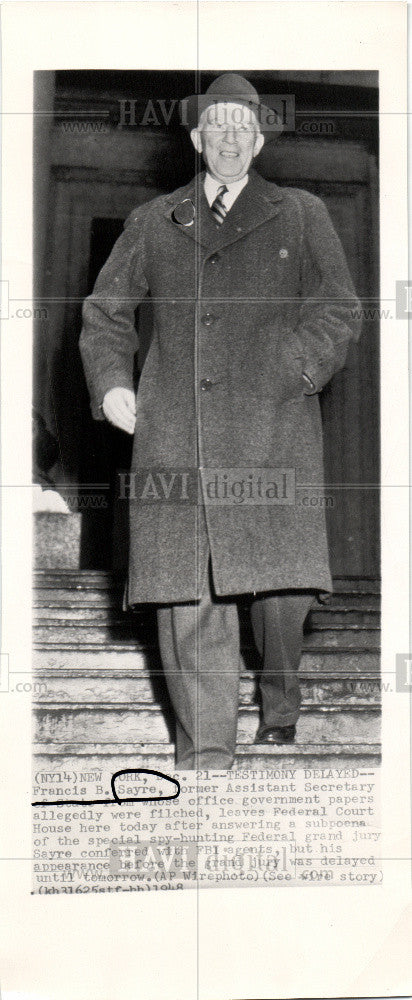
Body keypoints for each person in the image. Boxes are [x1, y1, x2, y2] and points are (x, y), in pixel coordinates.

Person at [79, 73, 362, 770]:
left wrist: (291, 369)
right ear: (197, 137)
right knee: (190, 591)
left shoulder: (301, 212)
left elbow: (339, 310)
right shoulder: (154, 220)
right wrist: (113, 382)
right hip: (178, 431)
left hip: (274, 430)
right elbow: (104, 313)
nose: (229, 136)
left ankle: (280, 700)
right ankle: (208, 755)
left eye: (243, 125)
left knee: (280, 594)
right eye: (217, 125)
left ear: (259, 139)